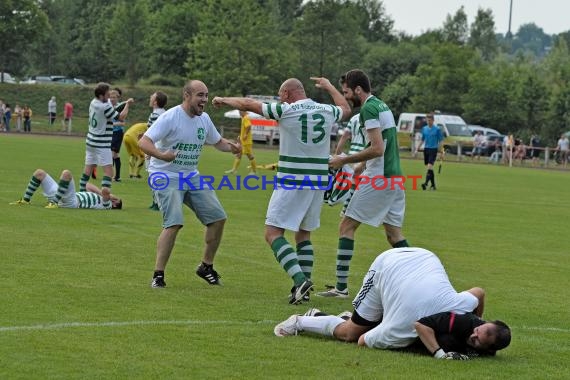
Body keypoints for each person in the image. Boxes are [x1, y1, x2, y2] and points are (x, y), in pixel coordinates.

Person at [212, 77, 350, 304]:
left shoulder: (286, 109)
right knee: (304, 233)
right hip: (318, 180)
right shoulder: (326, 109)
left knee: (273, 233)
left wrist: (223, 99)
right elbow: (346, 108)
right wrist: (328, 86)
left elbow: (248, 104)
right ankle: (302, 289)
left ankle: (300, 279)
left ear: (286, 94)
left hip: (292, 178)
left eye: (279, 94)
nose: (279, 98)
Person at [274, 247, 511, 359]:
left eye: (479, 341)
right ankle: (299, 322)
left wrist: (478, 319)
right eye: (481, 329)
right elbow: (362, 341)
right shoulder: (404, 329)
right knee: (351, 332)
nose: (475, 335)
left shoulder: (460, 308)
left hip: (423, 256)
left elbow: (478, 292)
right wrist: (437, 353)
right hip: (386, 266)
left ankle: (331, 315)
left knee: (369, 320)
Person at [138, 80, 241, 288]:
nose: (204, 100)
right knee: (174, 222)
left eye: (206, 95)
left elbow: (217, 141)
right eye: (200, 95)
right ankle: (158, 275)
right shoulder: (170, 117)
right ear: (187, 95)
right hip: (165, 175)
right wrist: (161, 155)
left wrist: (233, 147)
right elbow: (143, 141)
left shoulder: (204, 119)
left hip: (190, 175)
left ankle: (206, 266)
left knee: (218, 219)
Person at [320, 69, 409, 298]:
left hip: (380, 178)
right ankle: (419, 275)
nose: (346, 96)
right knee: (393, 235)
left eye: (346, 91)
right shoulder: (381, 105)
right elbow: (384, 147)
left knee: (346, 227)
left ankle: (341, 288)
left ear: (358, 89)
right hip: (394, 177)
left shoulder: (369, 108)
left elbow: (377, 148)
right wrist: (358, 168)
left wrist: (344, 159)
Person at [79, 83, 132, 194]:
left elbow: (111, 108)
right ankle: (105, 198)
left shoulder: (94, 102)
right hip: (101, 142)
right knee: (109, 172)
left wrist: (123, 103)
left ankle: (81, 191)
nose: (109, 96)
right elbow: (121, 117)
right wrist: (127, 105)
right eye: (107, 94)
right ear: (101, 95)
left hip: (90, 141)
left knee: (88, 167)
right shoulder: (105, 107)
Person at [9, 168, 122, 210]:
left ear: (115, 204)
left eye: (116, 199)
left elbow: (105, 191)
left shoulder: (107, 205)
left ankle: (53, 202)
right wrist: (100, 193)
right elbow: (88, 185)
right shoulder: (100, 197)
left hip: (73, 202)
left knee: (66, 173)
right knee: (39, 173)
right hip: (63, 196)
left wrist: (109, 195)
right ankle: (25, 200)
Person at [145, 91, 168, 210]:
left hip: (154, 150)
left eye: (152, 96)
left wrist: (149, 151)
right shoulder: (165, 113)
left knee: (153, 175)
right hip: (162, 149)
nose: (150, 97)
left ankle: (156, 203)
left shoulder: (154, 115)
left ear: (155, 102)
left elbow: (150, 135)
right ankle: (160, 201)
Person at [225, 110, 257, 175]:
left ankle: (254, 171)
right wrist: (241, 136)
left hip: (246, 142)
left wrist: (245, 135)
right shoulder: (244, 118)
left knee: (250, 156)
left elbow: (249, 126)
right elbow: (245, 128)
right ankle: (234, 170)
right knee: (238, 155)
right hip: (243, 141)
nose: (239, 114)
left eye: (240, 112)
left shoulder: (246, 118)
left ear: (244, 112)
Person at [417, 112, 444, 190]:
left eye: (430, 120)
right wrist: (418, 147)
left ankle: (425, 183)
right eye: (427, 120)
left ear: (433, 120)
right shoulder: (424, 128)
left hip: (433, 149)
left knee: (429, 166)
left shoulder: (437, 130)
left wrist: (441, 151)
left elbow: (441, 141)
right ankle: (433, 185)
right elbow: (423, 139)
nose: (428, 121)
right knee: (430, 168)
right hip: (426, 149)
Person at [110, 88, 131, 182]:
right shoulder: (108, 107)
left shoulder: (119, 107)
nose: (112, 99)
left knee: (113, 154)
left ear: (117, 98)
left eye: (114, 97)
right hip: (110, 133)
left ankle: (112, 176)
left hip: (117, 133)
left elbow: (122, 123)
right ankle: (116, 176)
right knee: (114, 155)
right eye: (110, 97)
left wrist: (112, 124)